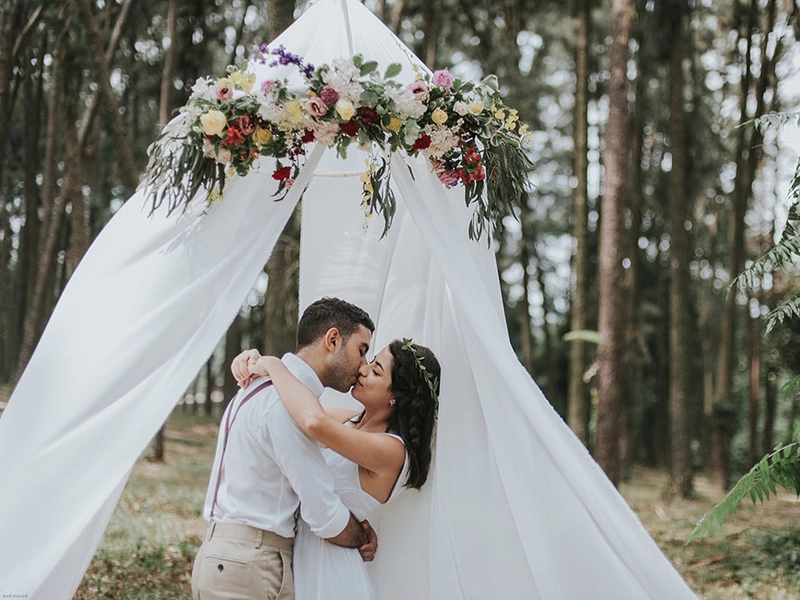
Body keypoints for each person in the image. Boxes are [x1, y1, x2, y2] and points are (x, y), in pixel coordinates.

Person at [191, 297, 379, 600]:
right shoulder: (286, 406)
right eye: (361, 350)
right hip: (250, 565)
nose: (363, 365)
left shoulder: (263, 386)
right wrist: (361, 535)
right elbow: (323, 512)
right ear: (332, 340)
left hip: (231, 558)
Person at [231, 337, 440, 600]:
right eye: (371, 361)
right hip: (296, 552)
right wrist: (250, 360)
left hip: (328, 567)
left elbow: (313, 421)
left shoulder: (393, 451)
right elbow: (289, 407)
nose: (363, 369)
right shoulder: (348, 420)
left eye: (376, 371)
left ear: (396, 398)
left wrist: (273, 365)